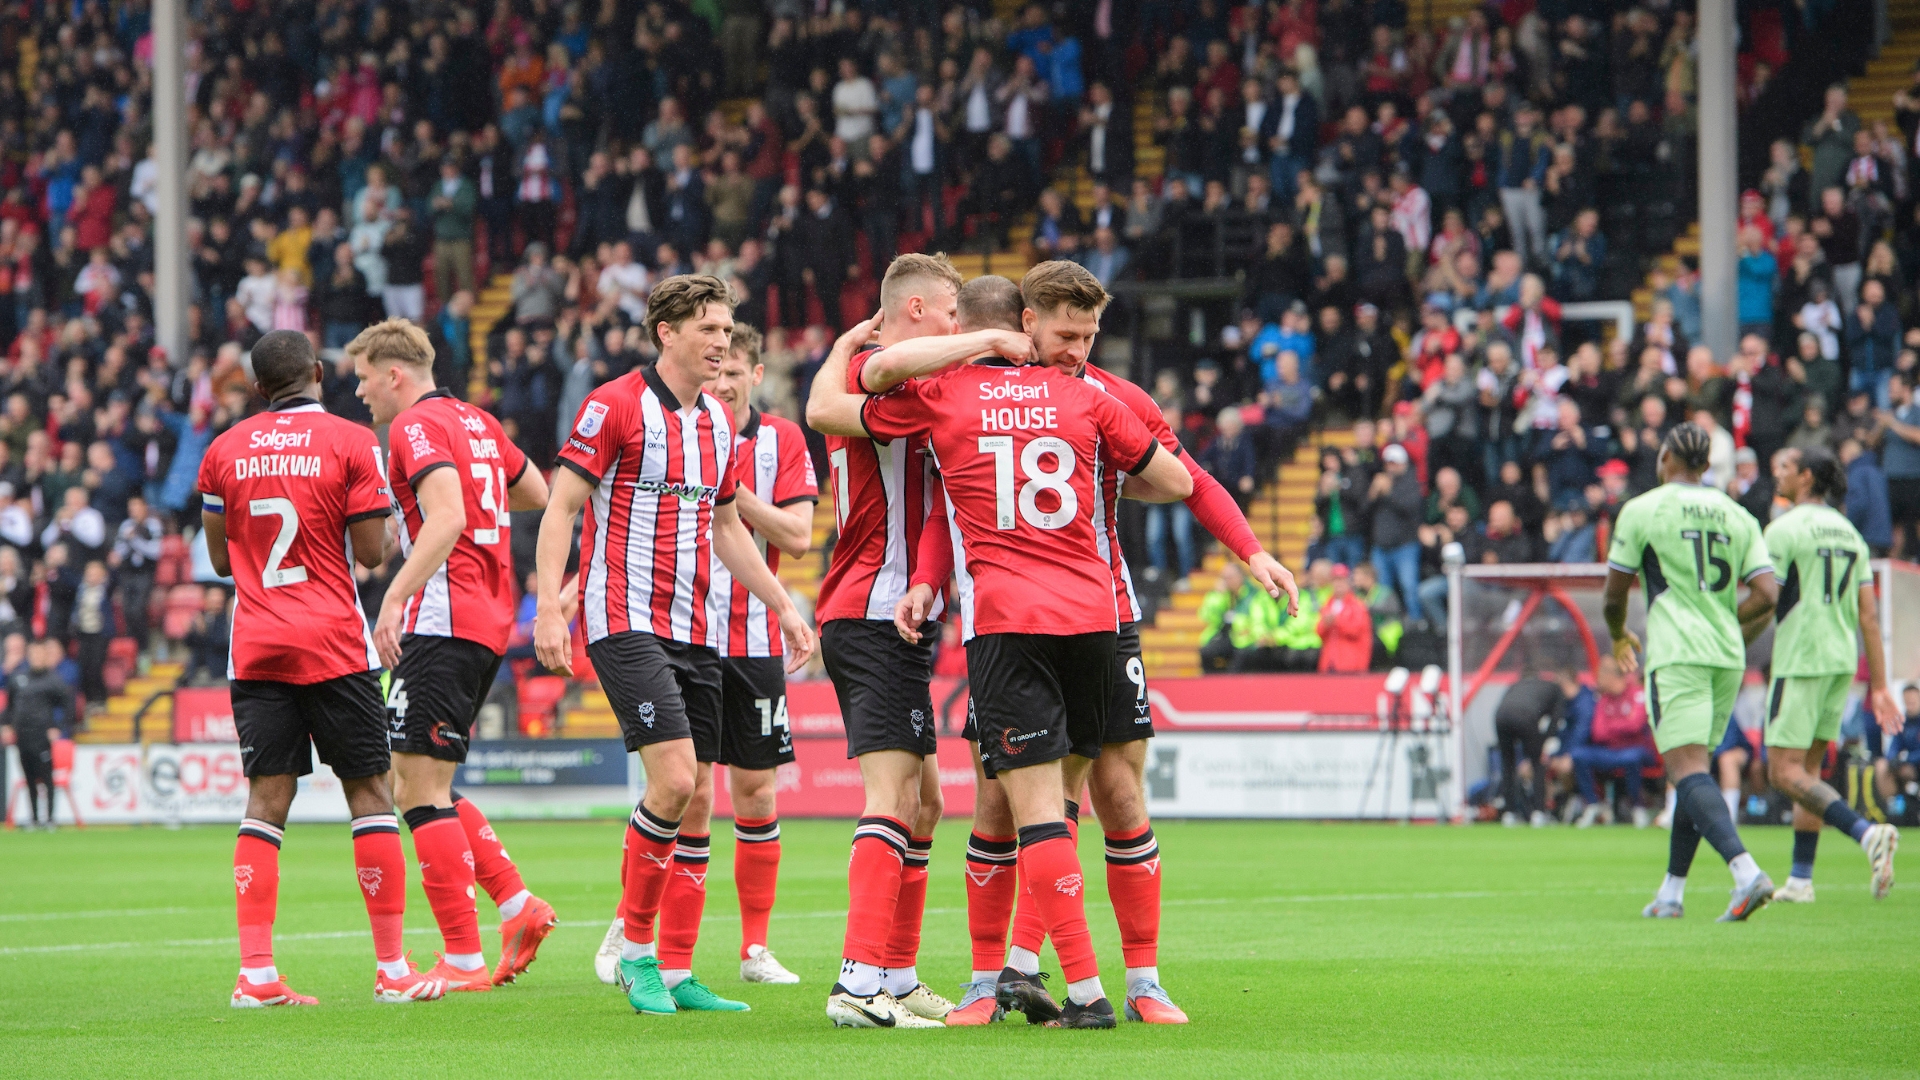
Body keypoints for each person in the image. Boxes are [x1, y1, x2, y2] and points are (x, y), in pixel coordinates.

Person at [890, 263, 1297, 1026]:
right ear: (1025, 323)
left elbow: (1193, 478)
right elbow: (953, 499)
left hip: (1105, 613)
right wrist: (926, 576)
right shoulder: (975, 389)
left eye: (1089, 336)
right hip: (1005, 617)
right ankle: (996, 976)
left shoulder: (1106, 396)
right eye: (1065, 335)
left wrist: (1253, 553)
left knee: (1112, 792)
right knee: (1000, 801)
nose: (1077, 349)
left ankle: (1134, 980)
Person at [808, 263, 1194, 1032]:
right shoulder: (1069, 394)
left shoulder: (951, 392)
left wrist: (927, 577)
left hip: (970, 617)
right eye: (950, 316)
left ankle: (926, 973)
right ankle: (885, 978)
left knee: (951, 800)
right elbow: (1179, 481)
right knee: (949, 800)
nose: (957, 328)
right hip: (945, 611)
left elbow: (881, 440)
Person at [534, 275, 815, 1018]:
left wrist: (783, 606)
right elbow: (561, 506)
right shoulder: (615, 404)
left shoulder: (718, 427)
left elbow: (727, 529)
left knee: (696, 799)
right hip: (623, 619)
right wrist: (548, 608)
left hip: (700, 628)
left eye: (728, 330)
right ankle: (632, 951)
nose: (723, 342)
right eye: (710, 329)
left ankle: (678, 968)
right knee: (673, 780)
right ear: (668, 333)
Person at [802, 255, 1034, 1028]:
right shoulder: (893, 374)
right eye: (951, 317)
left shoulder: (870, 370)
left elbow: (822, 406)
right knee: (893, 797)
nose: (959, 329)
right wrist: (991, 341)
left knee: (928, 801)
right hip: (871, 610)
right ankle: (856, 981)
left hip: (891, 612)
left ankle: (895, 978)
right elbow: (839, 401)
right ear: (919, 310)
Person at [196, 330, 445, 1007]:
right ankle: (392, 968)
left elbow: (220, 561)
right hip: (334, 645)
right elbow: (370, 552)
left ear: (256, 387)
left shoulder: (224, 450)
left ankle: (255, 974)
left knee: (265, 805)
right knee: (369, 794)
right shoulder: (351, 442)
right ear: (316, 373)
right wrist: (387, 527)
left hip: (255, 646)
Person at [348, 318, 558, 992]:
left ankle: (463, 957)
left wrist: (392, 600)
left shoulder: (413, 427)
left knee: (413, 786)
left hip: (444, 615)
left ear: (394, 375)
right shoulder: (476, 421)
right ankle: (517, 905)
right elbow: (536, 492)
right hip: (487, 615)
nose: (360, 394)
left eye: (363, 379)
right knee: (422, 777)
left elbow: (446, 519)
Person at [620, 322, 817, 989]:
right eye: (717, 370)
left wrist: (724, 485)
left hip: (754, 639)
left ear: (756, 376)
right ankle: (656, 947)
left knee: (757, 793)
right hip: (684, 631)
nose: (724, 381)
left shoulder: (781, 439)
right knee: (690, 792)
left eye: (737, 372)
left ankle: (754, 950)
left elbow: (796, 533)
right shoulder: (670, 431)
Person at [1604, 423, 1780, 922]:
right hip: (1726, 655)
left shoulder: (1645, 509)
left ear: (1664, 460)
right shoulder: (1738, 514)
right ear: (1707, 467)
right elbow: (1768, 595)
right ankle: (1672, 892)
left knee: (1686, 770)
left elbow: (1615, 593)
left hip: (1678, 651)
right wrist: (1725, 617)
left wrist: (1618, 634)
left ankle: (1746, 873)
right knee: (1694, 768)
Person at [1758, 446, 1901, 903]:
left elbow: (1765, 597)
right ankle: (1801, 879)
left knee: (1782, 772)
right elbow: (1869, 616)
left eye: (1787, 467)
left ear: (1805, 478)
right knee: (1810, 771)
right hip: (1841, 658)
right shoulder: (1850, 535)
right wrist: (1879, 685)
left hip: (1801, 655)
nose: (1779, 474)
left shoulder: (1784, 529)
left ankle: (1865, 834)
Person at [1568, 656, 1659, 828]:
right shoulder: (1603, 699)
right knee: (1579, 755)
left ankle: (1638, 807)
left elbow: (1636, 725)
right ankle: (1594, 804)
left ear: (1611, 675)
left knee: (1631, 758)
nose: (1597, 678)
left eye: (1601, 673)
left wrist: (1613, 726)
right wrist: (1622, 724)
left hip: (1637, 749)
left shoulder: (1637, 693)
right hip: (1610, 751)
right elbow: (1598, 732)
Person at [1493, 665, 1576, 826]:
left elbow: (1504, 704)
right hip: (1525, 716)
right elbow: (1555, 719)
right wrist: (1543, 740)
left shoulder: (1517, 685)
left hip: (1500, 716)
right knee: (1537, 763)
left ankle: (1509, 814)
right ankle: (1539, 812)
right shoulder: (1555, 689)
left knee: (1507, 763)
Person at [1, 637, 71, 829]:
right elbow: (10, 706)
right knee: (29, 778)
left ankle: (49, 819)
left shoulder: (53, 680)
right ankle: (33, 818)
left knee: (46, 778)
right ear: (28, 655)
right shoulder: (18, 678)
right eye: (33, 653)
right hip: (22, 736)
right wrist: (5, 724)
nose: (37, 657)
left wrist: (58, 727)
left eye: (40, 653)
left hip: (42, 737)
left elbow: (68, 704)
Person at [1314, 564, 1372, 673]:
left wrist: (1336, 621)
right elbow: (1319, 631)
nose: (1338, 584)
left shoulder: (1357, 605)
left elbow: (1356, 631)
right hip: (1330, 663)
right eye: (1335, 580)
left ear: (1348, 582)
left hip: (1351, 664)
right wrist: (1326, 624)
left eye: (1341, 580)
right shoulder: (1327, 603)